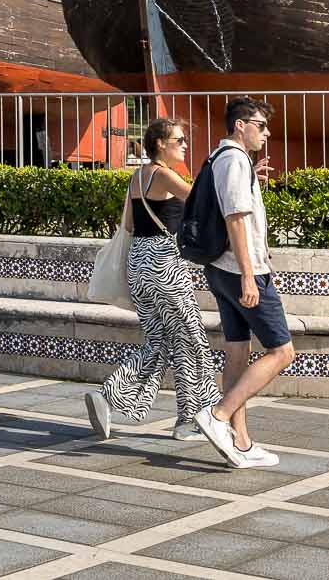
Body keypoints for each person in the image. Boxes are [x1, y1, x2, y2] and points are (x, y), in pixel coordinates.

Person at [86, 118, 217, 441]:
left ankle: (108, 396)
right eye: (179, 140)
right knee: (191, 341)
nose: (185, 145)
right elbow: (204, 203)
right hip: (164, 264)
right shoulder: (164, 175)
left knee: (158, 343)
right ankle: (192, 420)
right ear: (160, 143)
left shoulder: (136, 177)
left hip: (138, 265)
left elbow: (128, 225)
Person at [192, 97, 295, 469]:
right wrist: (251, 275)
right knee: (282, 352)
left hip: (220, 270)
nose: (266, 133)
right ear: (240, 125)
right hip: (240, 272)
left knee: (237, 350)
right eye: (260, 125)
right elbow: (235, 218)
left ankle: (242, 441)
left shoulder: (222, 159)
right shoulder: (234, 160)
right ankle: (217, 417)